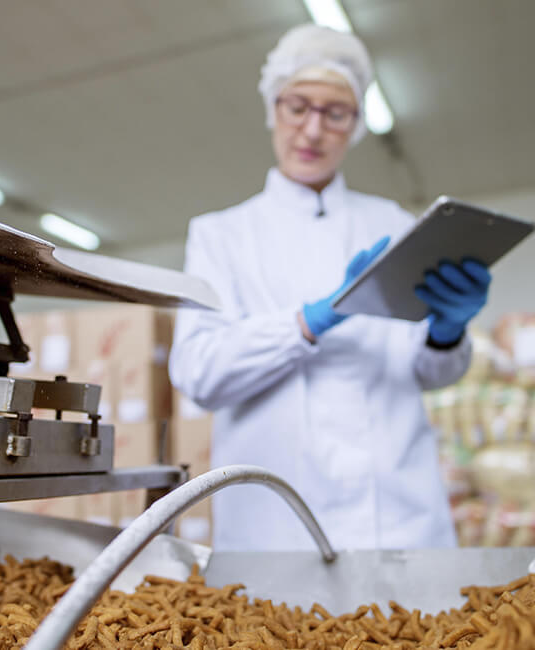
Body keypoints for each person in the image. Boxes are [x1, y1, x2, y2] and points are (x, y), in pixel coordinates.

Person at [168, 24, 492, 552]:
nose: (313, 130)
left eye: (334, 112)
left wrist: (447, 334)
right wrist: (308, 321)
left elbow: (430, 373)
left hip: (399, 517)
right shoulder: (221, 235)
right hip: (276, 531)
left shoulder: (393, 223)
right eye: (298, 106)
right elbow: (199, 373)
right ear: (273, 109)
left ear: (356, 124)